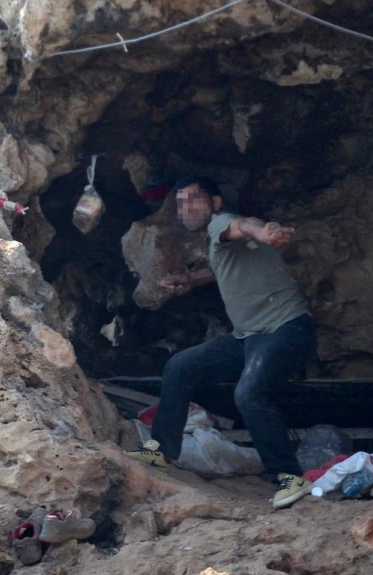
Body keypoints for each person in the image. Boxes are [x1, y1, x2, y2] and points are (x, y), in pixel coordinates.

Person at [127, 175, 317, 509]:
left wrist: (263, 232)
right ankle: (161, 450)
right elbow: (220, 268)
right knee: (181, 366)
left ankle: (289, 476)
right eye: (181, 203)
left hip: (286, 329)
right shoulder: (216, 244)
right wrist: (189, 280)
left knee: (249, 393)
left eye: (195, 200)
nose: (186, 208)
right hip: (248, 337)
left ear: (215, 203)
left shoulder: (220, 223)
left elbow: (243, 225)